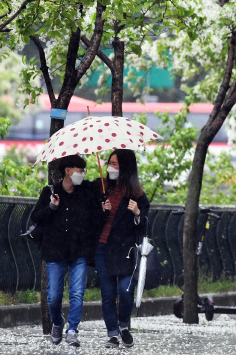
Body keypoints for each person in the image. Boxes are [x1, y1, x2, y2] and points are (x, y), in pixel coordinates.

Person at [30, 154, 105, 347]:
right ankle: (57, 322)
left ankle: (72, 330)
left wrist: (103, 208)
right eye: (80, 170)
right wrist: (52, 207)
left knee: (77, 293)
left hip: (78, 252)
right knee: (53, 296)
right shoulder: (50, 192)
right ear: (68, 171)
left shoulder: (86, 193)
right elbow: (36, 216)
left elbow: (96, 220)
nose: (82, 174)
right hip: (55, 252)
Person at [94, 149, 149, 348]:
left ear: (125, 166)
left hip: (126, 250)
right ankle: (113, 334)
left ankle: (124, 326)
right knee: (107, 294)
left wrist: (137, 214)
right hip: (103, 247)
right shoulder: (101, 188)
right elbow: (90, 219)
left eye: (116, 163)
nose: (111, 167)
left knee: (125, 291)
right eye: (110, 162)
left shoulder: (137, 195)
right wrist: (101, 210)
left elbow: (145, 226)